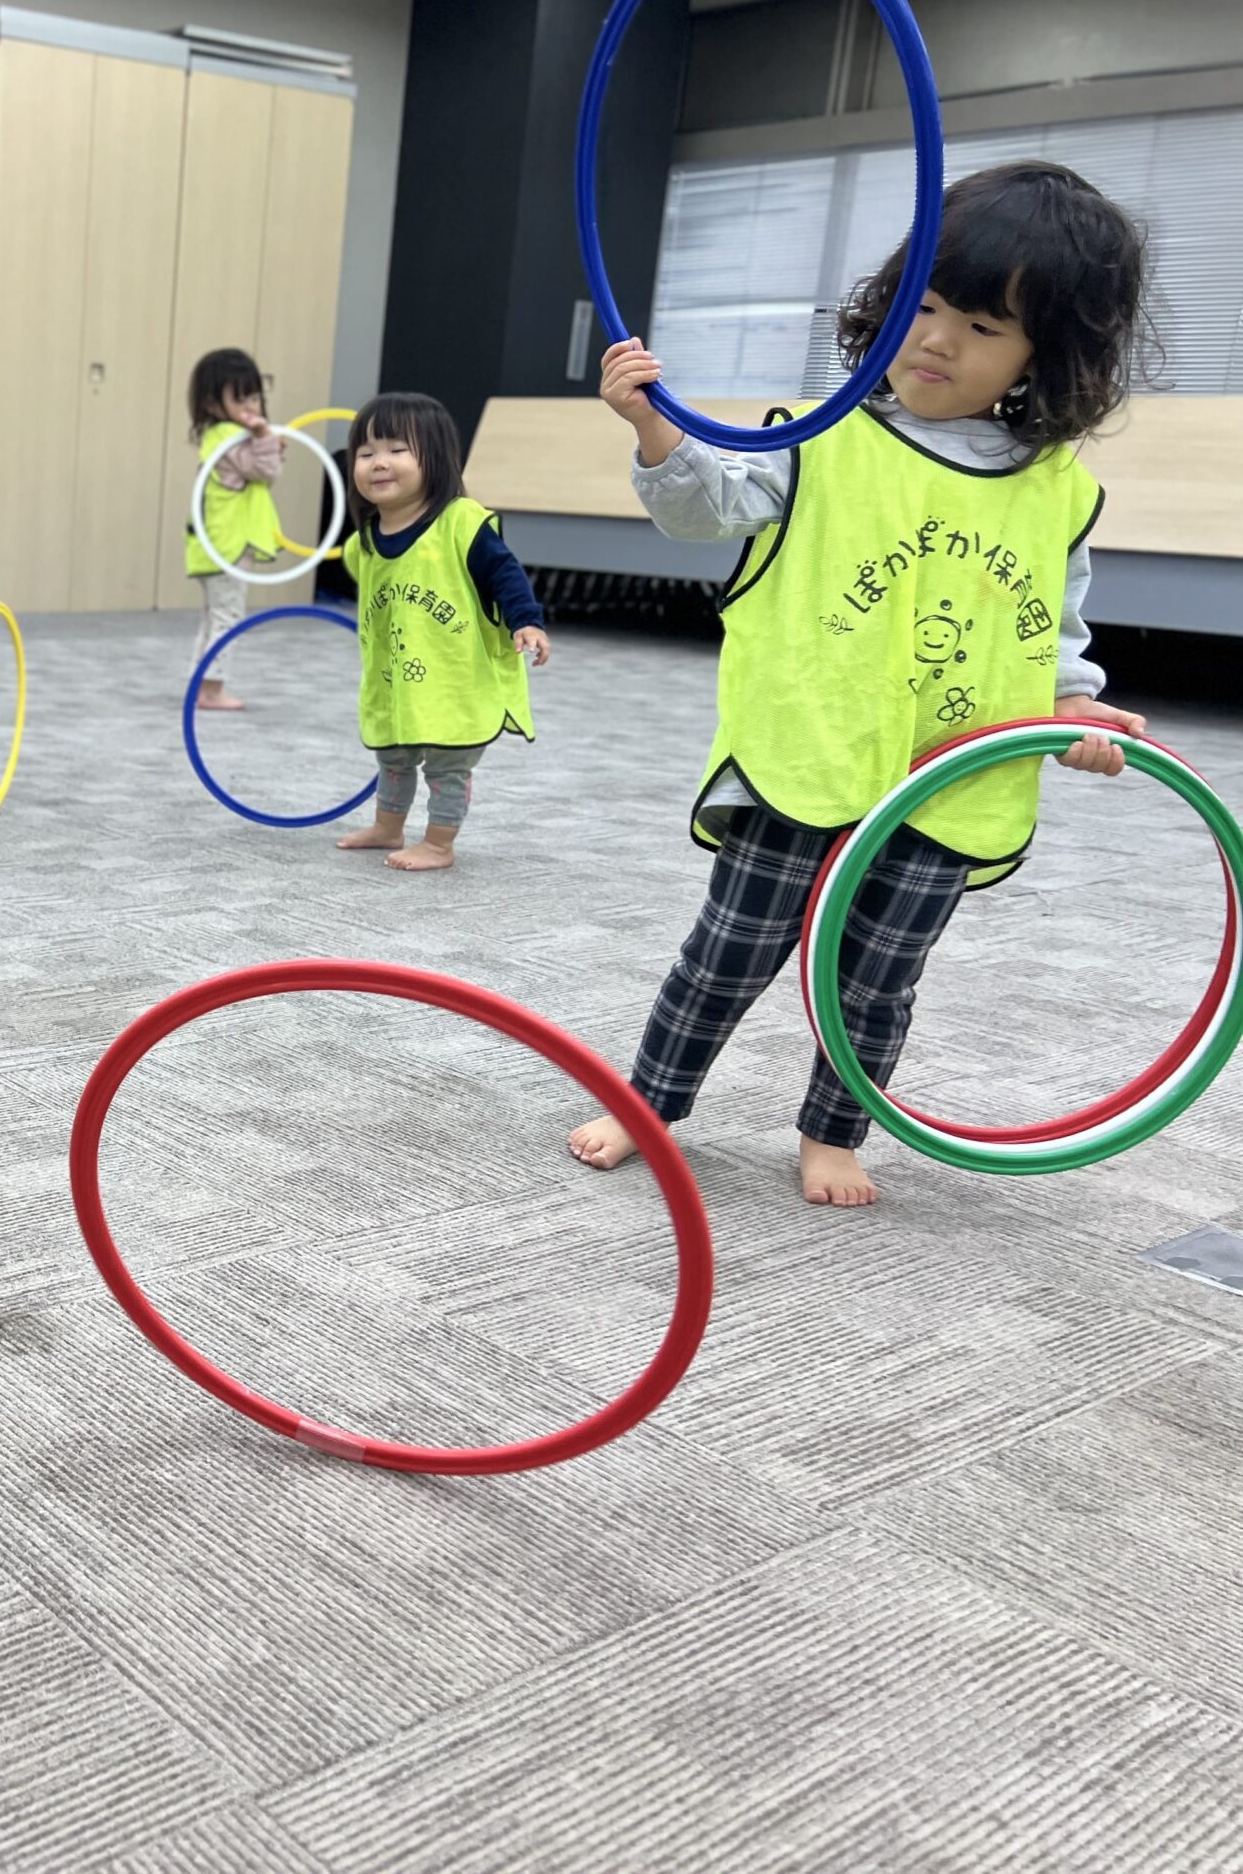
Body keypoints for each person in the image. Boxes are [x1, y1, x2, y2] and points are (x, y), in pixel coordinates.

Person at [568, 160, 1153, 1207]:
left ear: (1043, 353)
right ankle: (650, 1101)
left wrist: (1069, 710)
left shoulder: (1055, 489)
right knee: (729, 954)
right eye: (922, 307)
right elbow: (705, 504)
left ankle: (835, 1133)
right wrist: (653, 427)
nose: (935, 339)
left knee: (877, 980)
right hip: (808, 753)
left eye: (981, 327)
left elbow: (1053, 632)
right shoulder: (823, 433)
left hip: (947, 782)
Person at [329, 392, 550, 870]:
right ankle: (388, 826)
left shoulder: (460, 523)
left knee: (447, 767)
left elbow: (504, 573)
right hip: (396, 684)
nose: (377, 463)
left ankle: (439, 844)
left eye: (395, 449)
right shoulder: (366, 540)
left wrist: (526, 620)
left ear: (435, 456)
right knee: (393, 757)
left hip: (455, 682)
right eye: (365, 454)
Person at [182, 349, 286, 711]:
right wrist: (264, 440)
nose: (252, 407)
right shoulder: (231, 437)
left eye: (255, 397)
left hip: (213, 544)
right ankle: (211, 689)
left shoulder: (217, 436)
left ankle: (200, 684)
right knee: (227, 617)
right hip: (228, 546)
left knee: (214, 616)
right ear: (212, 405)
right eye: (241, 399)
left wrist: (265, 443)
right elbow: (266, 472)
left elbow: (258, 467)